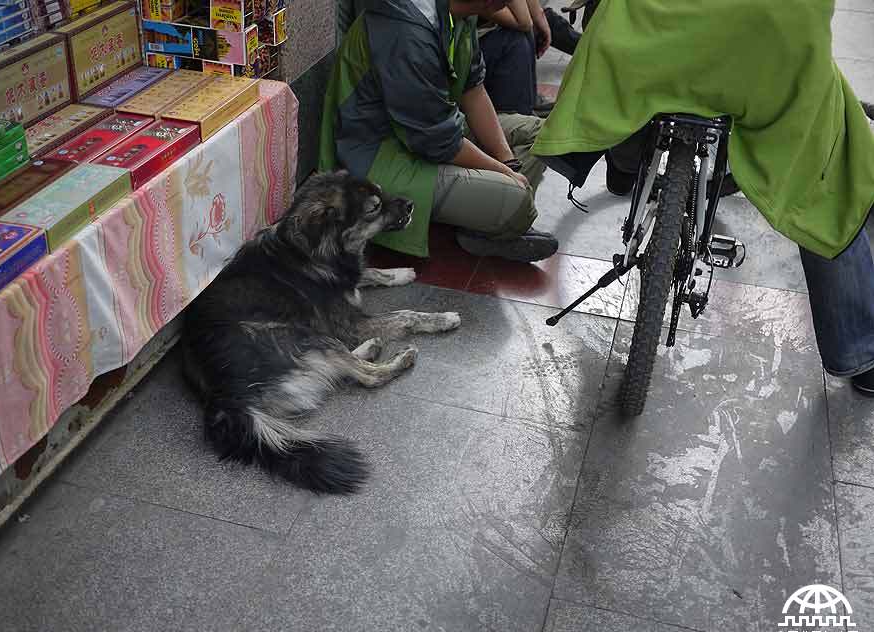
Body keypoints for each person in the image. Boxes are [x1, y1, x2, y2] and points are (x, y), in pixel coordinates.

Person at [532, 0, 874, 396]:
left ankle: (623, 150)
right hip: (768, 40)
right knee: (822, 177)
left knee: (612, 39)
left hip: (659, 34)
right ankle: (859, 354)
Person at [319, 0, 557, 263]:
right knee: (519, 201)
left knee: (545, 137)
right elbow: (438, 142)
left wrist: (507, 162)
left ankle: (483, 215)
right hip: (379, 158)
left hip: (429, 135)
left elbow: (473, 90)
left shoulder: (462, 12)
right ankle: (490, 216)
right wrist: (504, 173)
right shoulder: (406, 28)